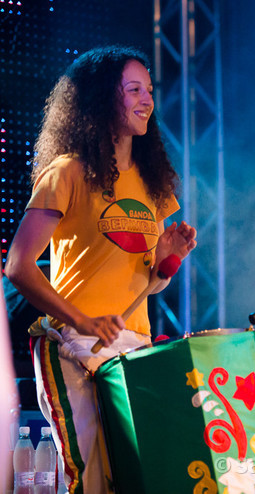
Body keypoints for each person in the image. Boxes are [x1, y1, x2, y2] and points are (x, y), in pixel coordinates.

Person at [5, 46, 197, 493]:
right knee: (89, 478)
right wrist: (82, 320)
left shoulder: (154, 185)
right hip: (73, 346)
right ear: (100, 99)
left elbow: (150, 283)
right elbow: (18, 266)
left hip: (133, 347)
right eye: (133, 89)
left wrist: (169, 256)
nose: (146, 99)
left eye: (149, 90)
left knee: (132, 477)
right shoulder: (67, 172)